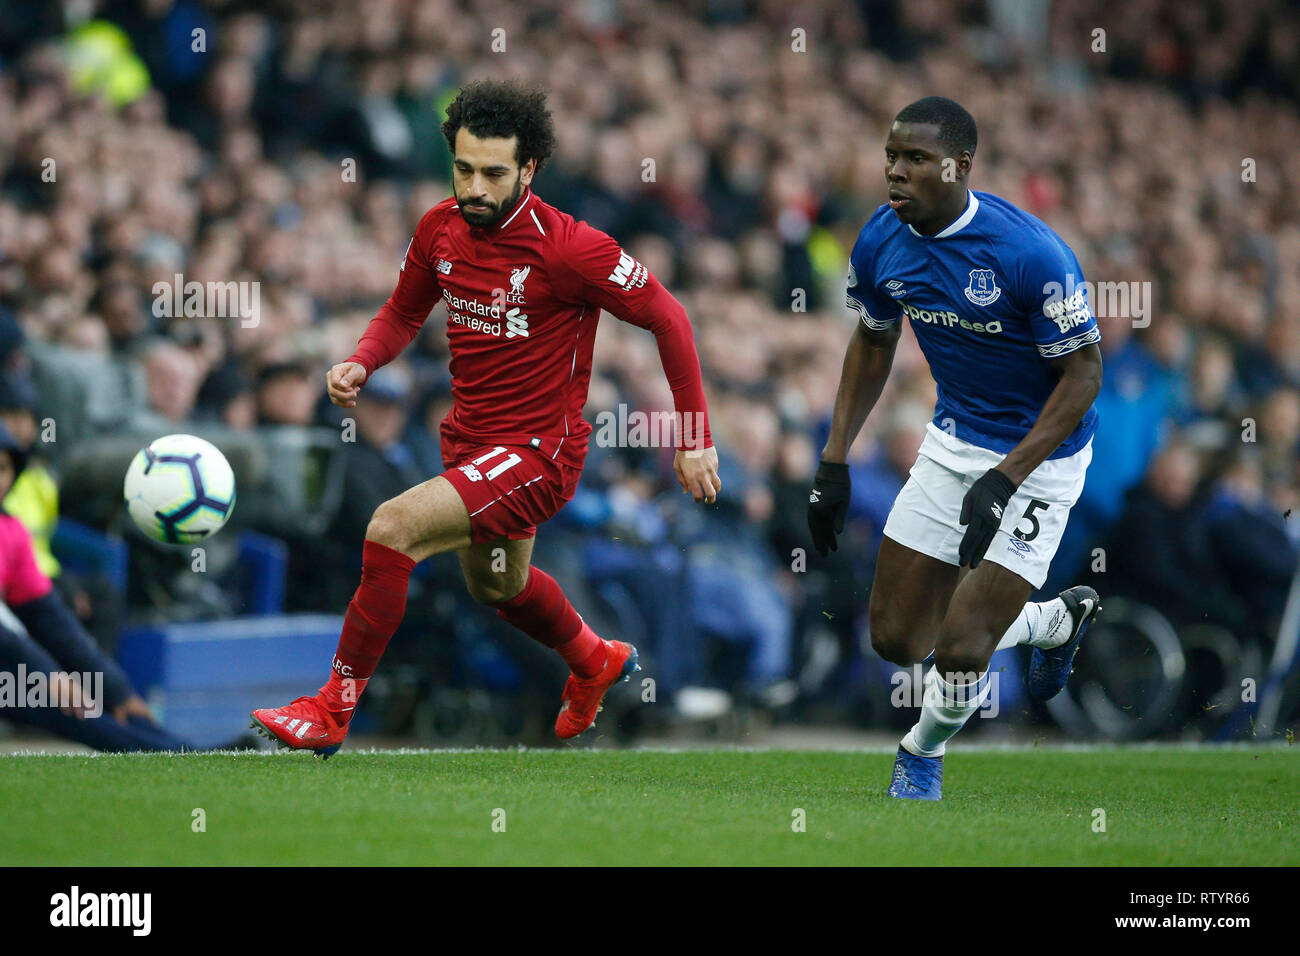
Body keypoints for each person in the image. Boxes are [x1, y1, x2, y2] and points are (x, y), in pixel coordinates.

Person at [252, 81, 720, 756]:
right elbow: (405, 311)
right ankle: (595, 661)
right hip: (472, 445)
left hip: (538, 454)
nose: (475, 186)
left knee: (392, 528)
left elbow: (668, 316)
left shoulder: (569, 248)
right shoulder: (439, 226)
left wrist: (693, 437)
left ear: (528, 170)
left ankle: (330, 711)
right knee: (499, 584)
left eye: (493, 173)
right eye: (463, 168)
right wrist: (362, 361)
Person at [807, 97, 1104, 800]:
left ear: (960, 166)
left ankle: (920, 754)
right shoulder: (881, 239)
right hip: (953, 443)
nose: (896, 173)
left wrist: (1008, 477)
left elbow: (1085, 373)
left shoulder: (1030, 253)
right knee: (897, 642)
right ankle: (1054, 622)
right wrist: (834, 458)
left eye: (914, 159)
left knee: (966, 646)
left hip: (1041, 459)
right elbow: (874, 341)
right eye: (890, 157)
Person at [0, 422, 197, 752]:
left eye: (3, 468)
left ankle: (188, 751)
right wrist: (48, 676)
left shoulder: (10, 531)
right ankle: (183, 755)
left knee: (101, 701)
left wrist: (116, 689)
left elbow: (49, 618)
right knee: (75, 709)